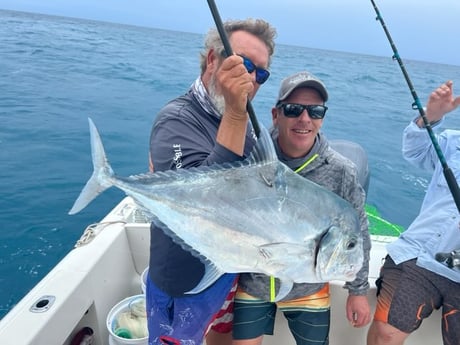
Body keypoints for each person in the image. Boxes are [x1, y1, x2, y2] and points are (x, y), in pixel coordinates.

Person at [146, 19, 276, 345]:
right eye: (244, 64)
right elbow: (202, 202)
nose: (251, 79)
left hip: (222, 269)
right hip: (181, 282)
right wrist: (236, 113)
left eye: (260, 73)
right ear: (212, 60)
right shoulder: (176, 118)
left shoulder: (243, 125)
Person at [232, 71, 372, 345]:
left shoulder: (341, 171)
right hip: (254, 282)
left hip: (308, 287)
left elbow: (360, 231)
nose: (305, 119)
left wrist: (357, 291)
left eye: (315, 111)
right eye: (294, 109)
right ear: (276, 115)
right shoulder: (252, 158)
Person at [367, 80, 460, 345]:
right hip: (422, 255)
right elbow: (415, 151)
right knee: (386, 333)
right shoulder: (453, 142)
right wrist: (430, 117)